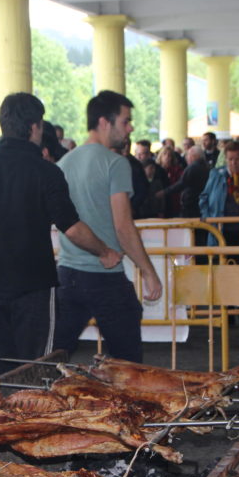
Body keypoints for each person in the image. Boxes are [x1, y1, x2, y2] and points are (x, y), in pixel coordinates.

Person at [0, 93, 120, 378]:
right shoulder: (45, 172)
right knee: (36, 372)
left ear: (3, 125)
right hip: (34, 288)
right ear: (35, 126)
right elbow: (72, 228)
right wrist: (105, 251)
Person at [54, 90, 163, 362]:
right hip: (105, 276)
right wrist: (148, 271)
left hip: (67, 275)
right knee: (128, 365)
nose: (130, 128)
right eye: (125, 121)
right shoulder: (116, 164)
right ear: (104, 122)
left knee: (53, 359)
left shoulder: (63, 164)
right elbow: (123, 227)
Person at [156, 146, 184, 217]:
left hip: (173, 203)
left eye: (169, 155)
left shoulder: (177, 170)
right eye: (164, 154)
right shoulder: (156, 170)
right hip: (159, 203)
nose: (167, 157)